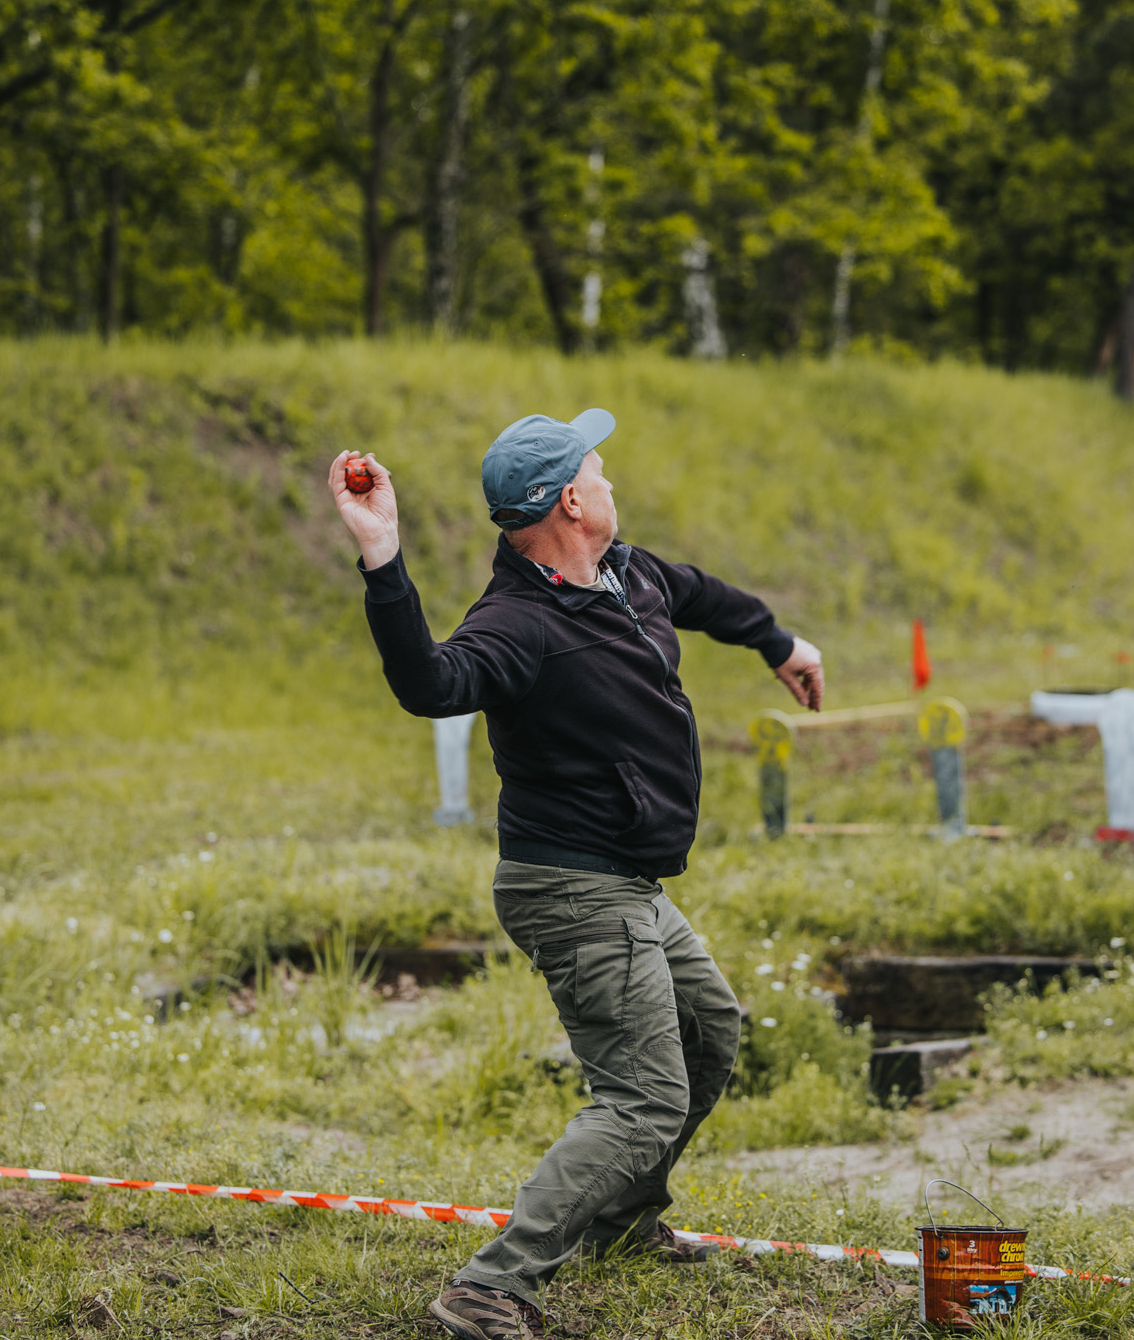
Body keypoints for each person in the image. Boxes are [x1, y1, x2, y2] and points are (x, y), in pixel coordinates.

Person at [328, 409, 824, 1340]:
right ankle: (491, 1285)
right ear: (568, 499)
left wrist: (779, 642)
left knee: (710, 1032)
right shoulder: (518, 622)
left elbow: (707, 597)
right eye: (598, 470)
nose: (609, 482)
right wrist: (381, 554)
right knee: (642, 1098)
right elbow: (430, 685)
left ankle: (621, 1220)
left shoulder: (627, 573)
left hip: (630, 882)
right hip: (570, 885)